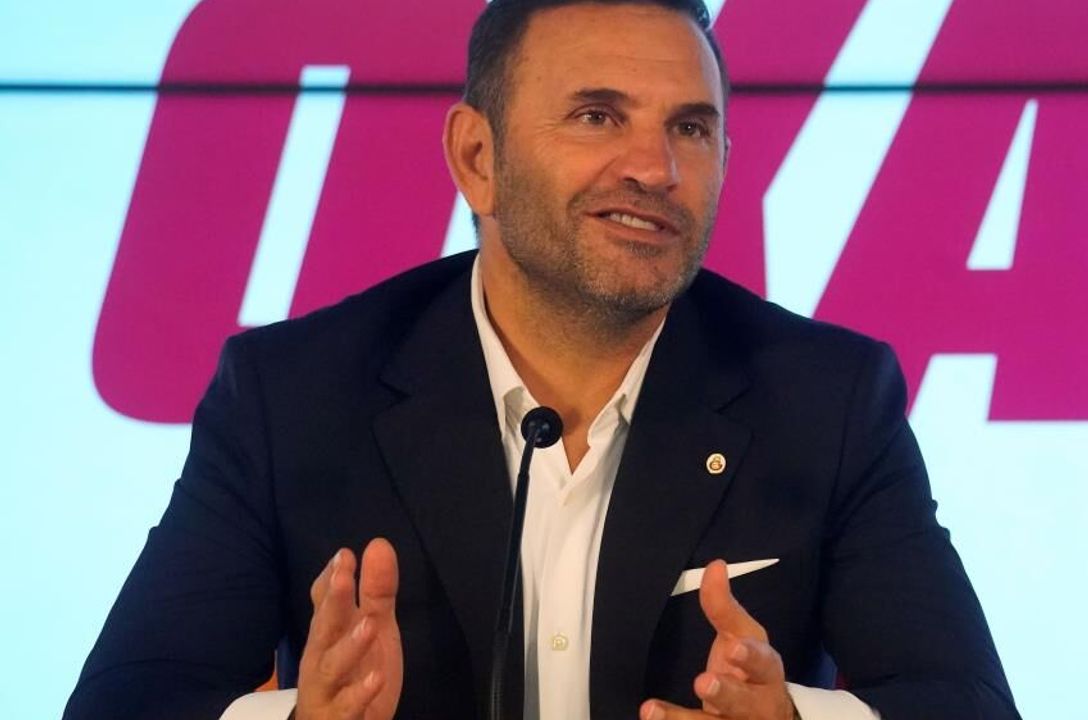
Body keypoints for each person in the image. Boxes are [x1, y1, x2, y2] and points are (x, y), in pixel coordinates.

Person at [65, 1, 1020, 718]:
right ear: (477, 157)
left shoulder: (828, 399)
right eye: (598, 116)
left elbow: (963, 702)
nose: (656, 168)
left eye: (690, 127)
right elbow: (129, 702)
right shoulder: (292, 396)